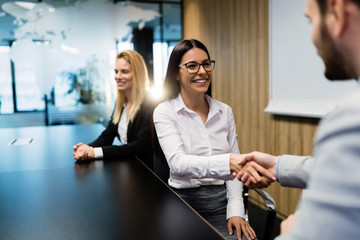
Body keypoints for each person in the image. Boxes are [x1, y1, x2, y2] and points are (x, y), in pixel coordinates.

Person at [236, 0, 360, 239]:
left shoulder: (350, 120)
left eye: (310, 20)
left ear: (338, 10)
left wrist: (291, 232)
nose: (312, 38)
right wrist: (278, 165)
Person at [153, 39, 267, 240]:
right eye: (192, 66)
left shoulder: (224, 111)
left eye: (206, 64)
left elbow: (235, 173)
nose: (202, 71)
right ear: (175, 73)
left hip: (222, 204)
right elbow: (178, 163)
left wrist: (236, 211)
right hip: (182, 205)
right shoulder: (165, 111)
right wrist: (227, 163)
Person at [73, 50, 154, 168]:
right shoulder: (121, 103)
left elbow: (139, 147)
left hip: (144, 171)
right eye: (116, 71)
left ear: (138, 74)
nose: (118, 76)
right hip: (127, 167)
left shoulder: (150, 104)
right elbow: (107, 136)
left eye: (124, 72)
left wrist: (94, 152)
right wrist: (85, 149)